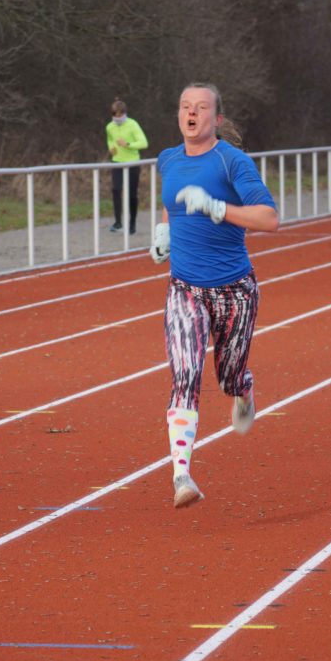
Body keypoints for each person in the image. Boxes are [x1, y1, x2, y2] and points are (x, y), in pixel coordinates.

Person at [150, 82, 279, 508]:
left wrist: (218, 209)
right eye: (185, 106)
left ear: (217, 118)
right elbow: (171, 199)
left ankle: (243, 388)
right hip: (185, 289)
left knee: (227, 376)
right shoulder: (168, 159)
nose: (191, 113)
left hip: (235, 291)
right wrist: (164, 230)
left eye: (201, 107)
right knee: (185, 375)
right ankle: (181, 475)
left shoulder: (232, 162)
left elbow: (269, 219)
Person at [106, 98, 148, 233]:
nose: (118, 118)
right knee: (116, 190)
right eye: (115, 115)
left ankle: (132, 223)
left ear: (124, 113)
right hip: (117, 161)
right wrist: (111, 148)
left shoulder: (132, 124)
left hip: (133, 162)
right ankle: (118, 222)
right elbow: (110, 140)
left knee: (131, 194)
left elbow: (144, 143)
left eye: (120, 115)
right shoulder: (109, 127)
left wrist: (128, 145)